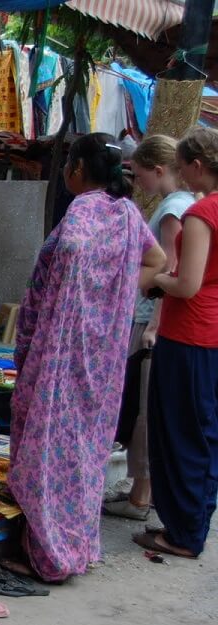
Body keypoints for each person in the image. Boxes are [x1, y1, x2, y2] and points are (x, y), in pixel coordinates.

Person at [6, 133, 166, 582]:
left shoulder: (82, 213)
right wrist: (113, 295)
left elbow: (73, 256)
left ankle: (49, 556)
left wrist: (84, 301)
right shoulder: (129, 213)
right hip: (103, 358)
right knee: (85, 450)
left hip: (64, 354)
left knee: (48, 447)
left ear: (76, 169)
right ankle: (72, 549)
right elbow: (156, 261)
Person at [137, 128, 218, 559]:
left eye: (184, 166)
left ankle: (183, 532)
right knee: (203, 433)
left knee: (180, 434)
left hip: (190, 334)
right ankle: (191, 522)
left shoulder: (202, 212)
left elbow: (186, 283)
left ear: (197, 166)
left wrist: (153, 280)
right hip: (211, 334)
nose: (182, 175)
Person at [106, 135, 195, 521]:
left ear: (158, 171)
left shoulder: (173, 210)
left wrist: (153, 324)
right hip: (151, 313)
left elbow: (171, 270)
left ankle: (141, 493)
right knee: (144, 404)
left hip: (150, 315)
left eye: (139, 174)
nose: (137, 182)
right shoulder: (180, 205)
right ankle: (143, 489)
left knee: (142, 406)